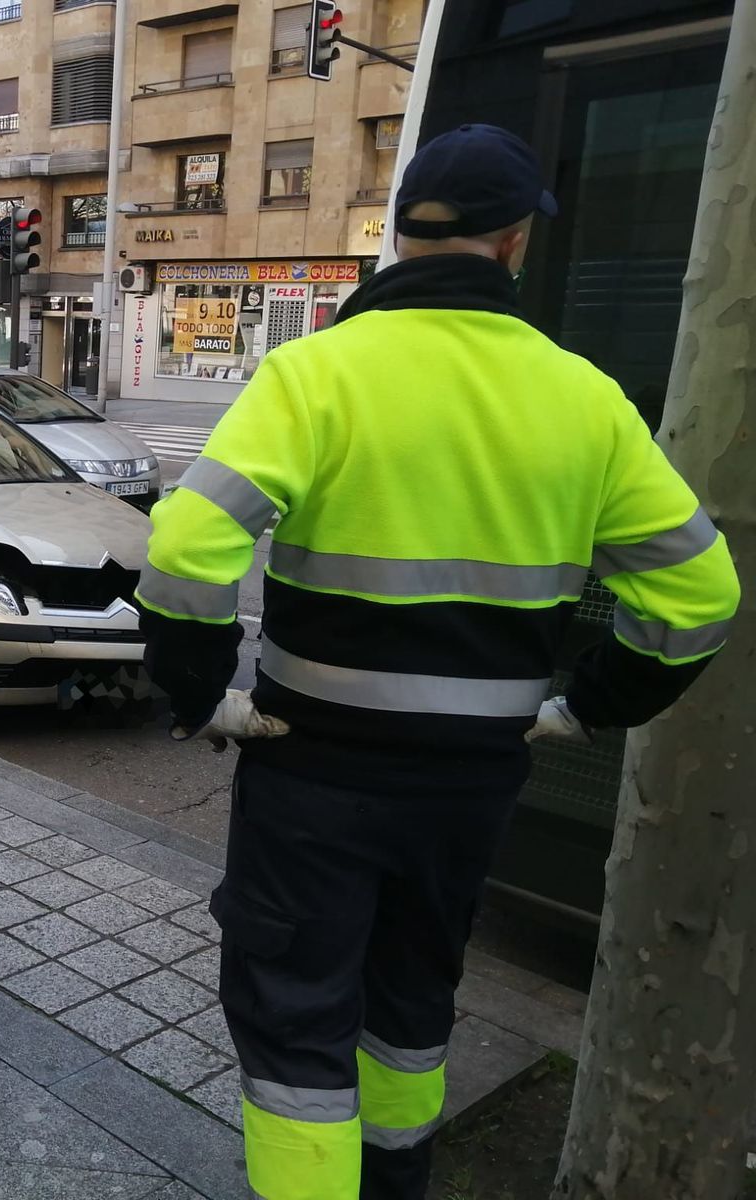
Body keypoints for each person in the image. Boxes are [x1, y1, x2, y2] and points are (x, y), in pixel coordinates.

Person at [137, 124, 741, 1200]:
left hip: (311, 775)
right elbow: (699, 596)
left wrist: (203, 698)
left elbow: (186, 551)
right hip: (471, 785)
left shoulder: (315, 373)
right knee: (411, 1008)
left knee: (295, 1032)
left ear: (403, 238)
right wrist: (581, 708)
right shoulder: (584, 397)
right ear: (512, 246)